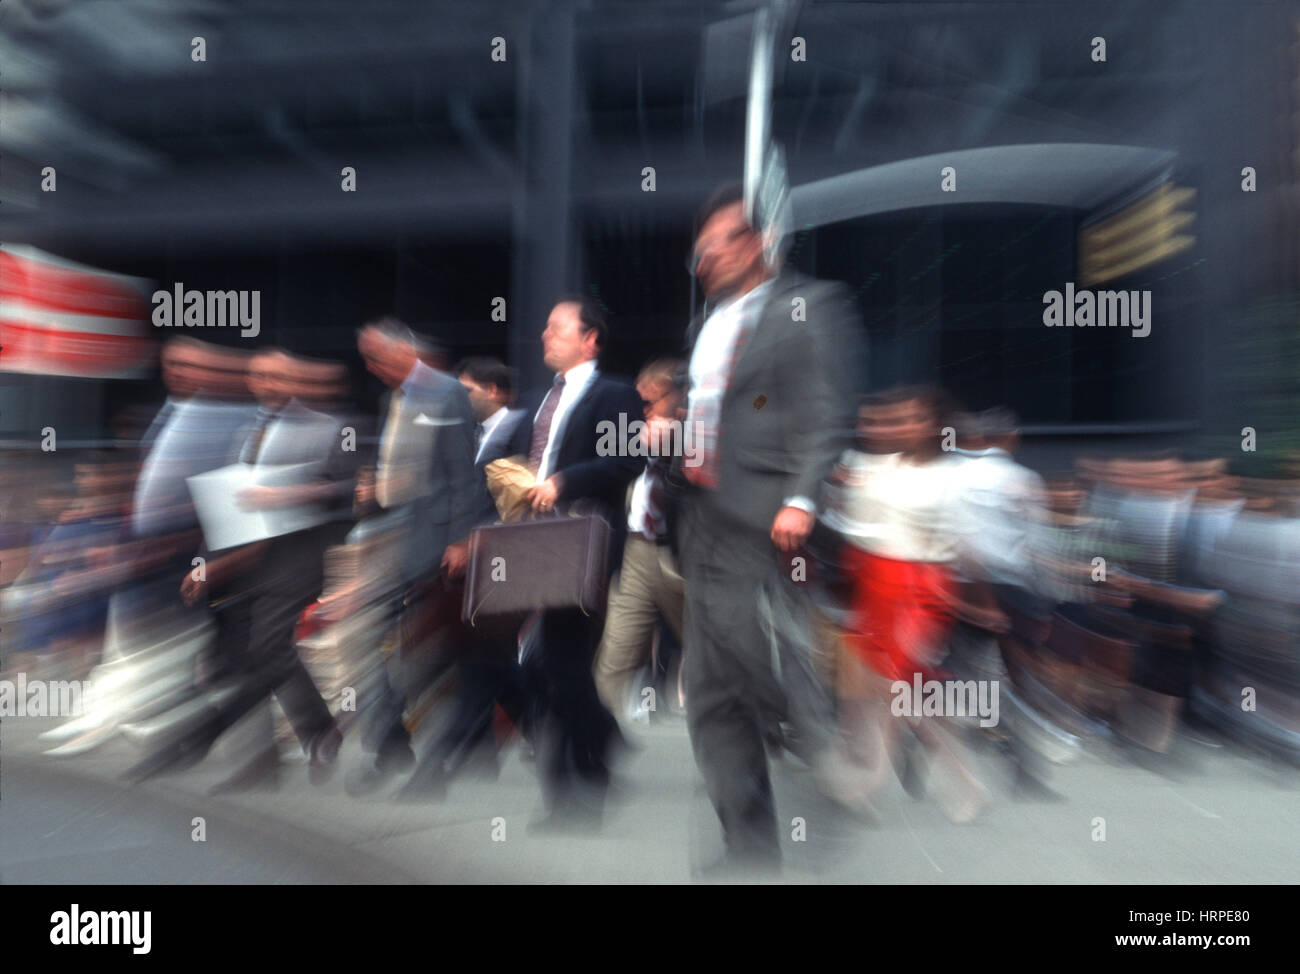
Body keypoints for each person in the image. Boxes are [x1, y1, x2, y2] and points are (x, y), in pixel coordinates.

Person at [673, 183, 863, 871]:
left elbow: (823, 413)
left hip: (766, 524)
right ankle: (749, 845)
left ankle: (822, 741)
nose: (706, 260)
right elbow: (709, 418)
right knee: (712, 691)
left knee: (759, 668)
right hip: (701, 525)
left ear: (756, 244)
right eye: (699, 251)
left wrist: (802, 500)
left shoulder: (807, 308)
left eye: (718, 243)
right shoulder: (704, 327)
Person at [503, 297, 643, 829]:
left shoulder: (614, 393)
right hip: (530, 546)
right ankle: (600, 742)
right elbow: (529, 464)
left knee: (558, 660)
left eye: (558, 327)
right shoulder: (544, 402)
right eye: (545, 326)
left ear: (591, 340)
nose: (545, 334)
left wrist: (565, 480)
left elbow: (626, 459)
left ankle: (572, 793)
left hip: (581, 543)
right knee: (545, 665)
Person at [345, 319, 479, 795]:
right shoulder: (392, 399)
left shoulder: (448, 395)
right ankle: (391, 744)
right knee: (373, 647)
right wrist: (375, 489)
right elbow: (398, 466)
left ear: (406, 351)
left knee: (426, 656)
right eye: (366, 359)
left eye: (377, 357)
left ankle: (430, 759)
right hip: (391, 542)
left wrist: (462, 540)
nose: (371, 367)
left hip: (435, 545)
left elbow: (466, 473)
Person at [593, 358, 687, 720]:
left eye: (649, 402)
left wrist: (673, 444)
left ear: (677, 398)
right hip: (636, 551)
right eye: (638, 403)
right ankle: (593, 738)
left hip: (683, 556)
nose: (641, 411)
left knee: (719, 658)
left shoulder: (698, 435)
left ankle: (767, 727)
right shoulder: (627, 436)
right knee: (616, 651)